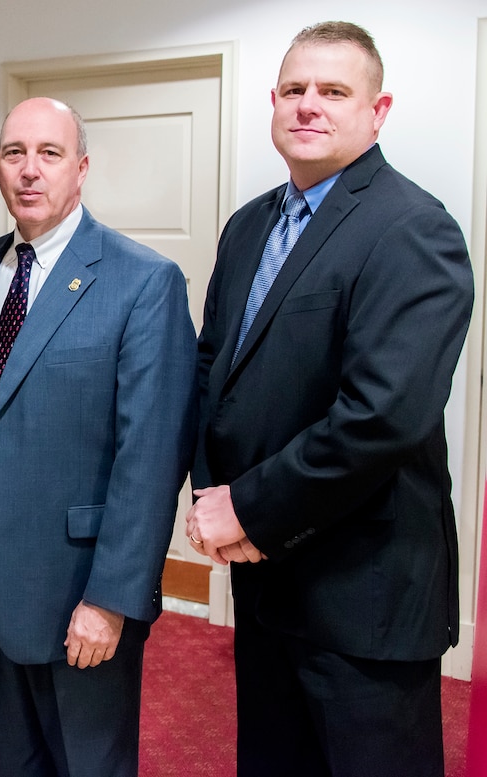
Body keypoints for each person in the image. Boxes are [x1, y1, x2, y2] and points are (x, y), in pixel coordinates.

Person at [187, 21, 474, 777]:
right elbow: (212, 368)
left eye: (334, 91)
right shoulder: (250, 225)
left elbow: (381, 417)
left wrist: (246, 506)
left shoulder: (413, 228)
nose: (309, 105)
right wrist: (211, 492)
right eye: (294, 89)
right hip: (268, 577)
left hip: (363, 598)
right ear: (273, 102)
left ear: (377, 112)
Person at [0, 97, 197, 777]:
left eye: (49, 154)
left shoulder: (144, 282)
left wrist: (112, 598)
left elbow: (151, 459)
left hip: (80, 593)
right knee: (11, 764)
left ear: (80, 169)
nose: (30, 171)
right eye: (13, 153)